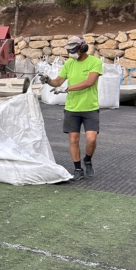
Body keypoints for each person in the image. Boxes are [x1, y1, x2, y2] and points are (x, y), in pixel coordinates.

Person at [40, 35, 103, 181]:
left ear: (83, 48)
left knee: (91, 139)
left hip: (90, 107)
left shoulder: (95, 62)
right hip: (72, 108)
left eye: (74, 50)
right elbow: (58, 81)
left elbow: (89, 82)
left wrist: (68, 89)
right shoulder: (69, 64)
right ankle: (78, 168)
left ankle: (87, 160)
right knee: (73, 140)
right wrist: (48, 80)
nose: (71, 54)